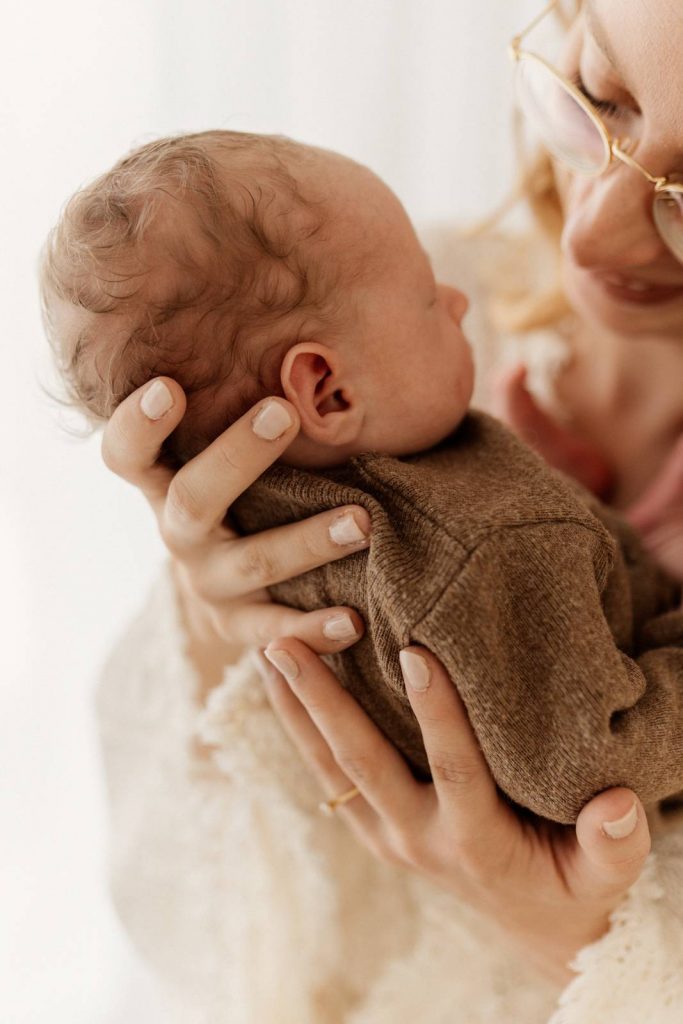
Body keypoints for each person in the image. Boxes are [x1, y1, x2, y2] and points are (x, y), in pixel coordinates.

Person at [86, 0, 683, 1020]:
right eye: (598, 95)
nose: (593, 229)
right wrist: (218, 614)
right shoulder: (409, 315)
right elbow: (194, 928)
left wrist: (579, 948)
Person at [44, 130, 683, 827]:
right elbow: (596, 754)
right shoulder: (487, 547)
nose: (457, 299)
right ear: (327, 394)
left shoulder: (298, 511)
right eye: (423, 295)